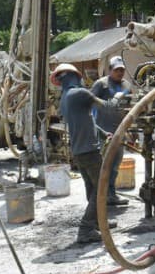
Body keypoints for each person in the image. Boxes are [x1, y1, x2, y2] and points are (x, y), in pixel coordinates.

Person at [54, 62, 122, 244]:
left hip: (78, 152)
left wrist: (102, 133)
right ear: (75, 77)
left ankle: (99, 222)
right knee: (101, 188)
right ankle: (85, 229)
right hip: (90, 151)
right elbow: (108, 106)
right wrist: (119, 95)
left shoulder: (65, 98)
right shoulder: (81, 93)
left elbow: (86, 120)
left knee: (92, 189)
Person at [90, 56, 131, 206]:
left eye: (122, 70)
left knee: (114, 166)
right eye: (117, 70)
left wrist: (130, 130)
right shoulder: (101, 84)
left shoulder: (126, 85)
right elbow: (90, 101)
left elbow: (130, 107)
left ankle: (110, 195)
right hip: (104, 132)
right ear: (109, 70)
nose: (120, 73)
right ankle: (99, 196)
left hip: (120, 131)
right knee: (104, 165)